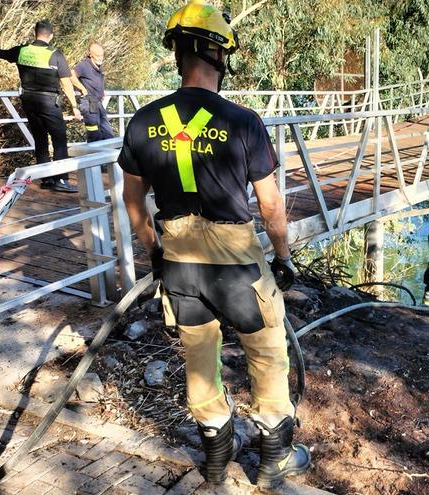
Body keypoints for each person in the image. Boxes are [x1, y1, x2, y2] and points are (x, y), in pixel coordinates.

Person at [117, 0, 309, 488]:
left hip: (180, 261)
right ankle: (272, 462)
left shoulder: (143, 122)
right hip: (236, 263)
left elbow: (134, 202)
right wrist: (282, 261)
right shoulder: (243, 121)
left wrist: (155, 253)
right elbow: (270, 208)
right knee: (266, 351)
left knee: (199, 357)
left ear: (178, 55)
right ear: (219, 55)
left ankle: (217, 462)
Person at [0, 21, 81, 193]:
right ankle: (61, 179)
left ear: (35, 33)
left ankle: (46, 179)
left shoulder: (22, 50)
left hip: (28, 100)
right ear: (51, 35)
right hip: (48, 101)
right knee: (59, 139)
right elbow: (67, 84)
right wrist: (74, 106)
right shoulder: (55, 54)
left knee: (40, 138)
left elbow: (1, 53)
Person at [71, 43, 115, 142]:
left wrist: (102, 90)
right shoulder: (84, 65)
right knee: (95, 135)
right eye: (98, 56)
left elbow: (97, 80)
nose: (101, 58)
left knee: (108, 134)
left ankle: (108, 155)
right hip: (89, 102)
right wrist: (82, 88)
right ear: (91, 55)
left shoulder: (98, 66)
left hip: (98, 102)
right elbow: (71, 75)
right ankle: (94, 155)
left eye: (102, 55)